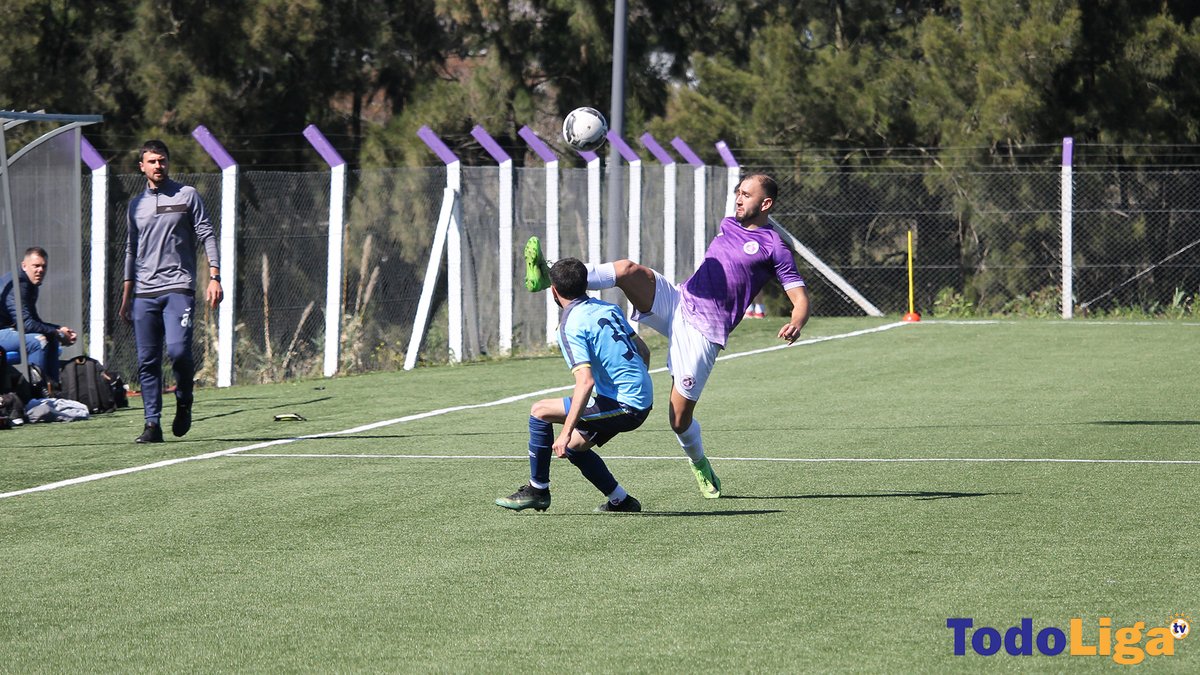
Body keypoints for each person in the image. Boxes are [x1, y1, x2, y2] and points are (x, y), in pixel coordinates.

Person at [524, 173, 810, 499]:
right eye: (738, 193)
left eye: (747, 194)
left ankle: (699, 464)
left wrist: (796, 322)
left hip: (704, 334)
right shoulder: (730, 223)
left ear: (766, 203)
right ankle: (553, 276)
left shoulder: (774, 247)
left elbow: (800, 299)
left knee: (677, 419)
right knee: (629, 271)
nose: (739, 199)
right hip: (679, 302)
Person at [496, 257, 651, 513]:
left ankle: (538, 489)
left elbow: (585, 382)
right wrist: (636, 385)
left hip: (625, 405)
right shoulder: (608, 308)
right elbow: (643, 351)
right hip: (637, 397)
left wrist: (566, 430)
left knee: (540, 411)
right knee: (575, 449)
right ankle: (621, 501)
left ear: (554, 291)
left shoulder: (570, 325)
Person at [120, 139, 223, 444]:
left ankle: (184, 399)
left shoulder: (187, 195)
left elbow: (207, 234)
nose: (158, 166)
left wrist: (214, 276)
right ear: (142, 166)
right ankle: (152, 424)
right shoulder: (135, 205)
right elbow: (131, 250)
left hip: (178, 288)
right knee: (147, 361)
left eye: (162, 160)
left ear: (168, 162)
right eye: (152, 161)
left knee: (178, 351)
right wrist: (126, 295)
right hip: (143, 294)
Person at [0, 247, 78, 390]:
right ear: (24, 266)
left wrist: (58, 331)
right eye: (36, 266)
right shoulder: (18, 284)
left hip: (8, 331)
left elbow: (33, 321)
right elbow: (26, 325)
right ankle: (35, 393)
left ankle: (53, 390)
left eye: (43, 266)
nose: (40, 270)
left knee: (51, 339)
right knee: (38, 342)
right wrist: (58, 332)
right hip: (2, 332)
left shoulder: (30, 284)